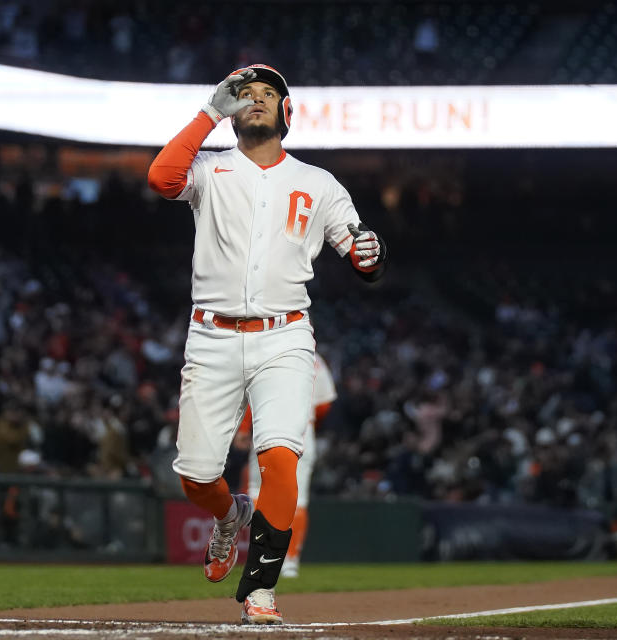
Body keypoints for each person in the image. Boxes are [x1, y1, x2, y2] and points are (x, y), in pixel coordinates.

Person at [147, 64, 387, 624]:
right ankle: (230, 514)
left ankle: (261, 590)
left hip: (285, 334)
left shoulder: (319, 181)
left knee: (280, 459)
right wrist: (210, 110)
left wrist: (369, 254)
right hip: (211, 334)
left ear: (286, 112)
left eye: (266, 94)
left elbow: (358, 249)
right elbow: (160, 178)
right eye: (244, 94)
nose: (254, 100)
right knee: (195, 476)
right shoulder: (209, 169)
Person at [242, 352, 336, 579]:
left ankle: (262, 555)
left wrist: (245, 427)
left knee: (258, 490)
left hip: (270, 424)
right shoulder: (316, 359)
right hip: (303, 428)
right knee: (299, 498)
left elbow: (253, 396)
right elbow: (324, 405)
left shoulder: (268, 351)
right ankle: (290, 560)